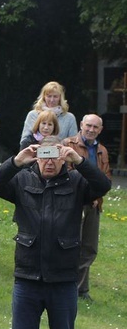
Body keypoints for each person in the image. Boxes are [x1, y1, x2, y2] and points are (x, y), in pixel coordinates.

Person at [0, 136, 110, 329]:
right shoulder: (23, 180)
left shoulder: (77, 182)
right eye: (44, 157)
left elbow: (103, 185)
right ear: (37, 157)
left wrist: (79, 161)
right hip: (27, 279)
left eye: (54, 157)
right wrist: (16, 161)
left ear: (63, 158)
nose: (49, 162)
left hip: (63, 281)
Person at [62, 114, 111, 302]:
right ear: (81, 125)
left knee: (89, 247)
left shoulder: (102, 151)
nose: (91, 130)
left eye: (95, 127)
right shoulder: (68, 144)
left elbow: (106, 178)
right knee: (73, 245)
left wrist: (96, 197)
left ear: (100, 129)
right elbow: (66, 172)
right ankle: (68, 287)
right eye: (88, 125)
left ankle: (82, 289)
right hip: (74, 203)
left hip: (94, 204)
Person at [20, 81, 78, 146]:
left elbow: (74, 143)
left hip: (61, 154)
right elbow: (24, 141)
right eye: (49, 96)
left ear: (60, 98)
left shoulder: (69, 118)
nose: (52, 100)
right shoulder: (33, 115)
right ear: (44, 96)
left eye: (55, 96)